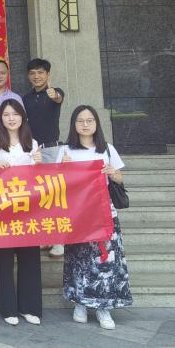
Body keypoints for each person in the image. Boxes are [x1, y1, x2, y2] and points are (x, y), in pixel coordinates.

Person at [61, 105, 132, 330]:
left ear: (96, 124)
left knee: (106, 261)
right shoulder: (66, 151)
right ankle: (80, 304)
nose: (85, 124)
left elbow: (120, 178)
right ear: (74, 124)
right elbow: (59, 183)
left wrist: (113, 173)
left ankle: (104, 308)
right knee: (78, 260)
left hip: (104, 214)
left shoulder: (107, 149)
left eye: (89, 120)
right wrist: (63, 168)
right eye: (80, 120)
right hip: (78, 214)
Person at [0, 99, 44, 326]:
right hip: (2, 209)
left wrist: (39, 164)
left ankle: (29, 307)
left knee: (30, 259)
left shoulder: (32, 142)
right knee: (4, 260)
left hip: (28, 210)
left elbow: (40, 178)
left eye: (15, 114)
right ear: (0, 118)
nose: (11, 118)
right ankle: (8, 309)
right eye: (6, 114)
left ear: (22, 117)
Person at [23, 58, 67, 258]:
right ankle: (45, 236)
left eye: (40, 72)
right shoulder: (25, 98)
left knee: (54, 195)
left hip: (52, 150)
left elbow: (58, 98)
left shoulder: (55, 92)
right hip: (32, 151)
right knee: (38, 195)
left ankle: (59, 241)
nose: (36, 76)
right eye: (32, 73)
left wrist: (54, 94)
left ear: (48, 75)